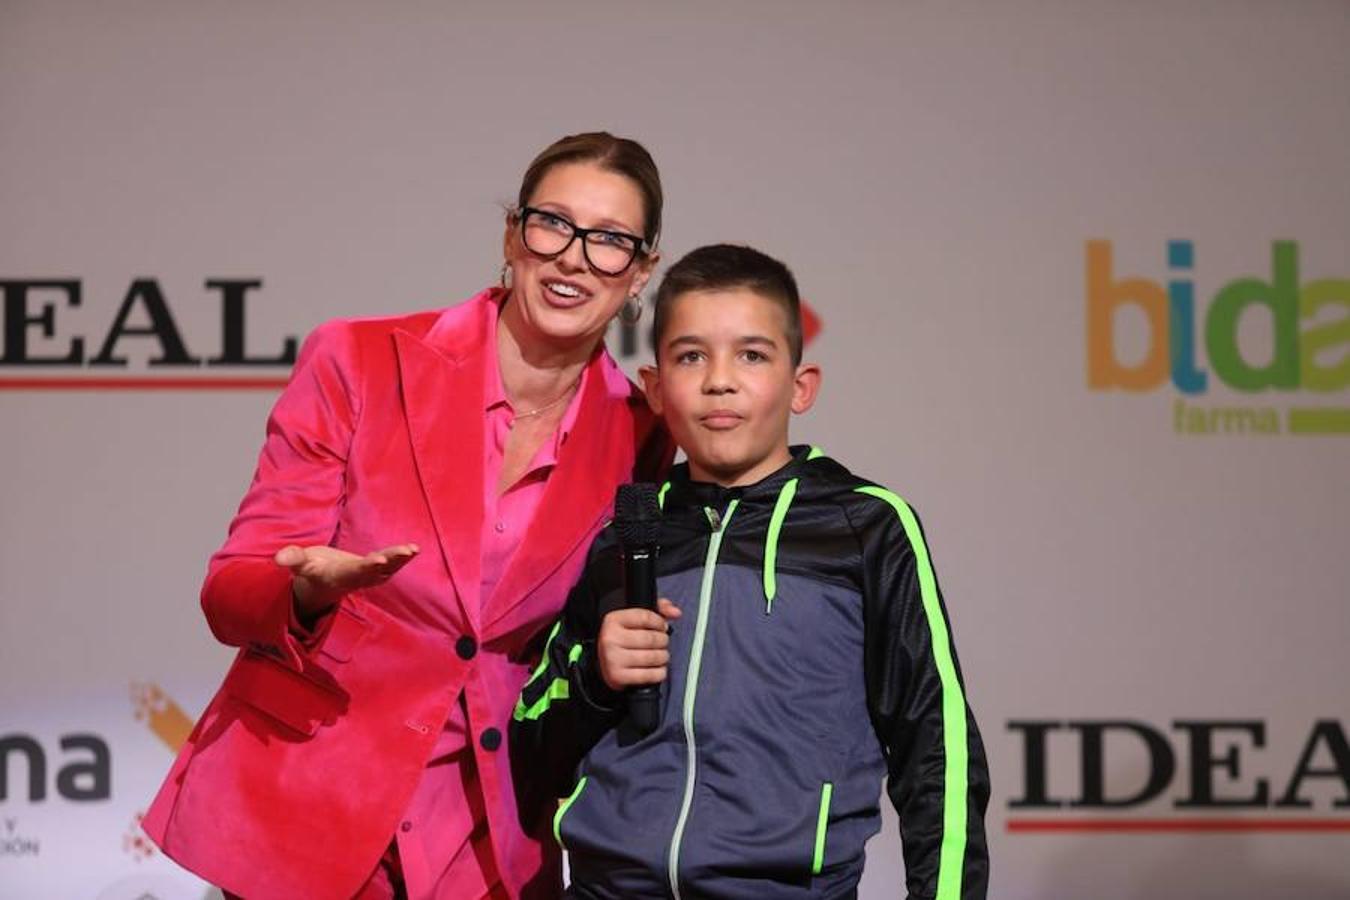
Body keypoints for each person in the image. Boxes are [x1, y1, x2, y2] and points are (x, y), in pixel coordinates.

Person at [143, 132, 673, 900]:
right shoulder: (359, 359)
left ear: (639, 274)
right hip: (310, 809)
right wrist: (304, 593)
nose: (574, 257)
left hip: (488, 836)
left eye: (610, 241)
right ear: (512, 235)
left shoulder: (640, 433)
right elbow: (230, 593)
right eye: (552, 223)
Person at [510, 244, 991, 899]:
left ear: (801, 385)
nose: (719, 380)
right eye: (690, 356)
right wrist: (597, 675)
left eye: (752, 355)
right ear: (654, 387)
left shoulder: (866, 527)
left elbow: (936, 749)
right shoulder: (625, 532)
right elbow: (531, 747)